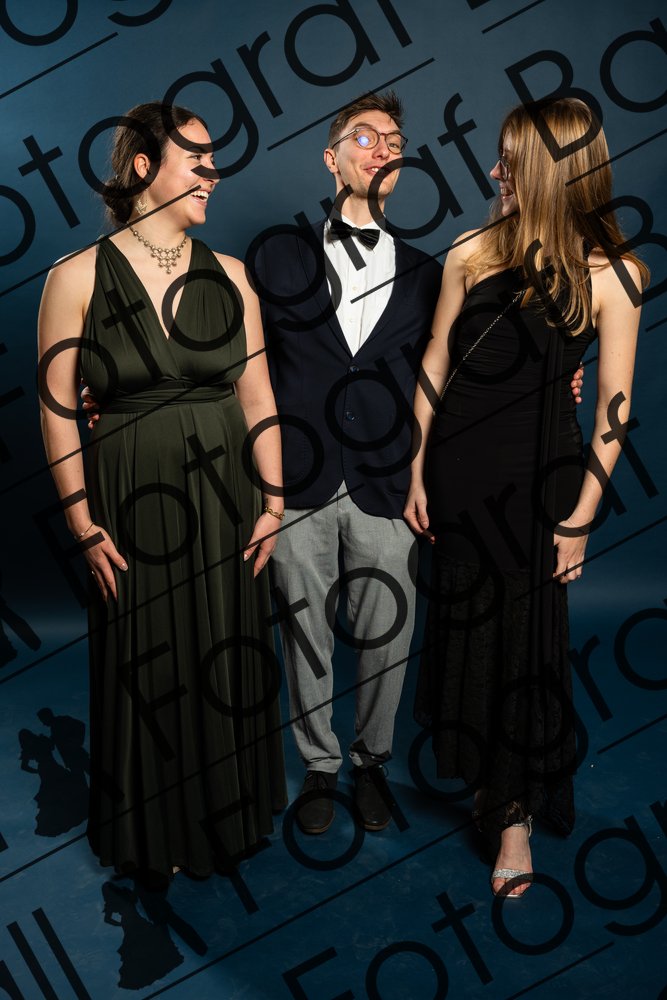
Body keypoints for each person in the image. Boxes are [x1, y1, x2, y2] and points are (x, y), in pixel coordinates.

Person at [38, 102, 287, 886]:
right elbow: (57, 410)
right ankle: (153, 828)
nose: (213, 174)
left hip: (225, 499)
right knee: (147, 659)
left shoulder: (234, 277)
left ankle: (226, 817)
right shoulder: (76, 276)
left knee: (221, 647)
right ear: (144, 168)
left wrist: (273, 505)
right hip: (131, 501)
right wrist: (82, 523)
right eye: (196, 160)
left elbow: (259, 399)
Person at [404, 98, 647, 896]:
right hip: (457, 476)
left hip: (540, 487)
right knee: (467, 632)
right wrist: (415, 468)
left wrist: (580, 518)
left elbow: (612, 408)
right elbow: (435, 362)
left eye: (507, 161)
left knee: (522, 645)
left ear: (548, 170)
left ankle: (513, 817)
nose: (491, 172)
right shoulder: (469, 252)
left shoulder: (615, 275)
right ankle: (485, 778)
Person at [249, 91, 443, 833]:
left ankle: (371, 763)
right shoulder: (277, 254)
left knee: (389, 633)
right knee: (304, 631)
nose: (382, 147)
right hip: (298, 478)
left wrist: (564, 376)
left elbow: (451, 370)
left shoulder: (428, 272)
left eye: (394, 139)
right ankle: (319, 767)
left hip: (387, 478)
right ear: (331, 158)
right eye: (365, 136)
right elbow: (235, 358)